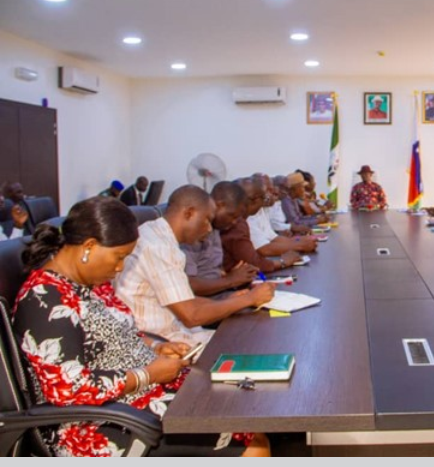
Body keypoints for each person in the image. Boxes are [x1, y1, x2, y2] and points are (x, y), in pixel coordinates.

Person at [12, 196, 269, 456]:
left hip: (136, 397)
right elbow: (68, 388)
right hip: (98, 423)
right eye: (119, 257)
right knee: (250, 443)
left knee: (242, 414)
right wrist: (149, 374)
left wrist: (158, 348)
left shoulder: (93, 286)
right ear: (89, 246)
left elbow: (123, 335)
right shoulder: (43, 298)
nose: (120, 267)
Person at [115, 185, 275, 345]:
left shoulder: (154, 233)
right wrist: (249, 299)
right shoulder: (159, 248)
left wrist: (226, 301)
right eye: (207, 220)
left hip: (176, 331)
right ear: (189, 213)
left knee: (253, 334)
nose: (209, 229)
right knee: (254, 340)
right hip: (165, 343)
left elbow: (184, 300)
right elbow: (192, 315)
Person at [181, 181, 257, 299]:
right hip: (202, 302)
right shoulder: (193, 232)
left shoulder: (217, 228)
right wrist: (231, 279)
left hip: (220, 293)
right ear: (219, 205)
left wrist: (236, 275)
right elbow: (189, 285)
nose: (234, 222)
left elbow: (212, 271)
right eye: (232, 216)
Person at [221, 180, 301, 274]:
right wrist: (283, 262)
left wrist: (298, 241)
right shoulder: (237, 223)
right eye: (264, 196)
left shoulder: (249, 216)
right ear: (253, 200)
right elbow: (255, 260)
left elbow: (271, 237)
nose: (271, 195)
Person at [245, 174, 318, 256]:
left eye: (272, 189)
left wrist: (300, 240)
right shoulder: (249, 215)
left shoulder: (262, 210)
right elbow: (265, 249)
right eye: (268, 190)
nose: (274, 193)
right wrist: (299, 245)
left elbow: (274, 238)